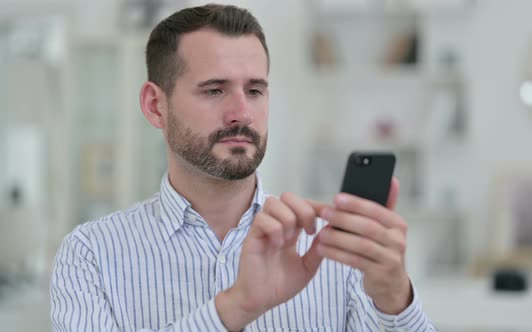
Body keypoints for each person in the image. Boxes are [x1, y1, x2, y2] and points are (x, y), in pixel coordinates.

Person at [50, 4, 437, 331]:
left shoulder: (335, 249)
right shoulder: (91, 256)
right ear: (155, 105)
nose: (242, 114)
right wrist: (235, 308)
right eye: (214, 90)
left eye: (254, 90)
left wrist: (394, 300)